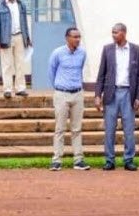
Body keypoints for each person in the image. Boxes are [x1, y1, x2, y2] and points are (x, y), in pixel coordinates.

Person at [94, 22, 139, 171]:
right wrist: (97, 95)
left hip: (129, 93)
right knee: (109, 129)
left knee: (129, 130)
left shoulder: (136, 50)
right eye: (112, 32)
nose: (113, 35)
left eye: (116, 32)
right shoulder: (107, 49)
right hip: (111, 93)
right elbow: (101, 74)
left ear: (124, 33)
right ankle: (109, 160)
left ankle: (128, 160)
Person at [47, 27, 90, 171]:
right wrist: (58, 87)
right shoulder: (57, 53)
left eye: (79, 37)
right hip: (62, 94)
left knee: (77, 128)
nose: (78, 39)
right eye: (75, 37)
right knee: (60, 128)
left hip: (77, 93)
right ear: (67, 38)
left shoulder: (82, 53)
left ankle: (78, 159)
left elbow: (80, 70)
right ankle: (57, 160)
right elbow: (51, 71)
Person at [0, 0, 32, 98]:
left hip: (19, 36)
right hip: (6, 38)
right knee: (7, 64)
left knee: (20, 64)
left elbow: (24, 23)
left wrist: (27, 38)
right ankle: (7, 89)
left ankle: (20, 88)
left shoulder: (21, 5)